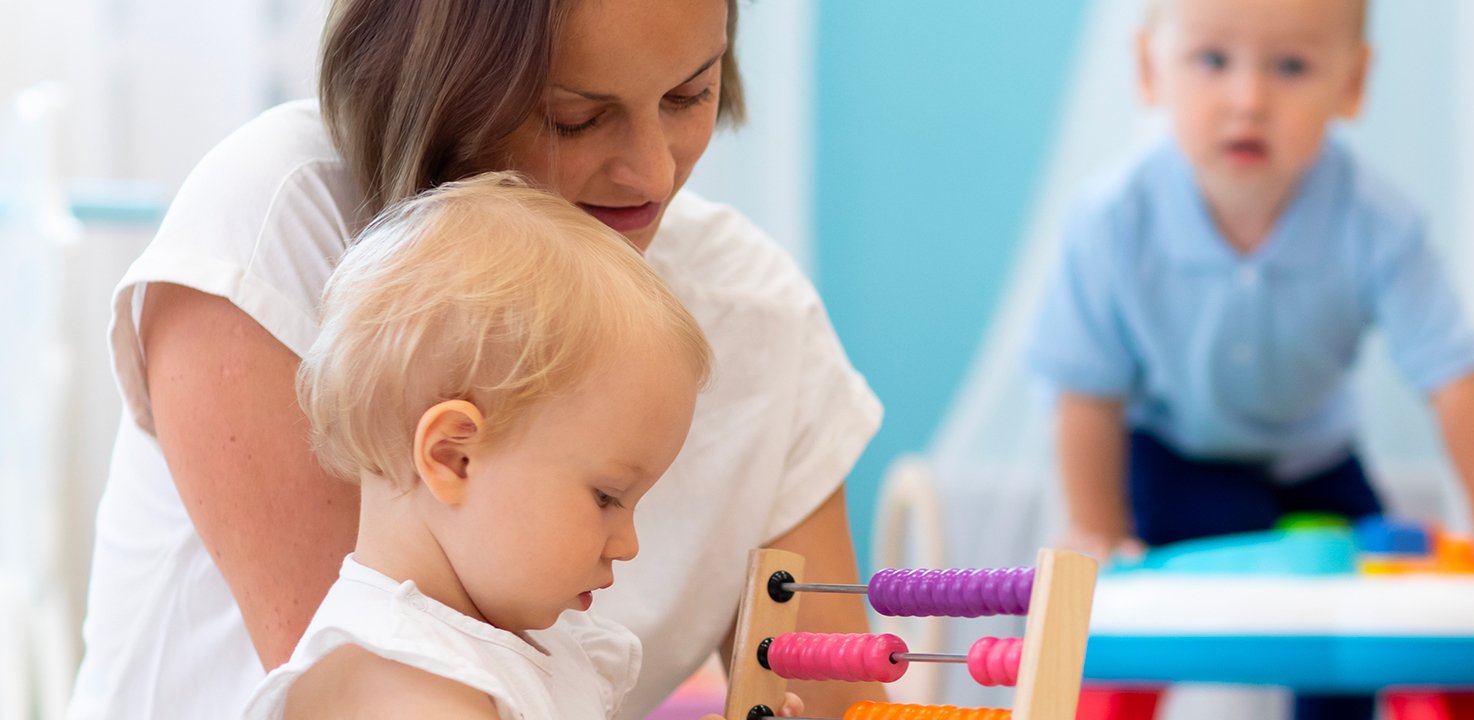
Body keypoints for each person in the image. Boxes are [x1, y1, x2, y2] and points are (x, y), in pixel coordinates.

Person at [69, 1, 883, 717]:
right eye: (575, 117)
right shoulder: (283, 216)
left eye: (689, 94)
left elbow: (837, 701)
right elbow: (387, 679)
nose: (653, 172)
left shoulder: (756, 314)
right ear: (447, 85)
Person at [1027, 0, 1474, 717]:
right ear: (1149, 70)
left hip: (1317, 463)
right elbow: (1087, 394)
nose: (1249, 101)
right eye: (1213, 61)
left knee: (1361, 624)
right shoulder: (1111, 221)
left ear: (1353, 83)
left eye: (1291, 67)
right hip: (1172, 455)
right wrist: (1096, 521)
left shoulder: (1380, 222)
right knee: (1142, 612)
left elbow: (1454, 378)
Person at [244, 173, 711, 718]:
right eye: (607, 497)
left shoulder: (494, 650)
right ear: (453, 458)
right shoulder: (394, 682)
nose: (627, 544)